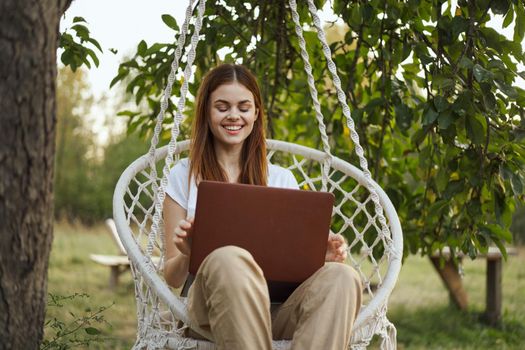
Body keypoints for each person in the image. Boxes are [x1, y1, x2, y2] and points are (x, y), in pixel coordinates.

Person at [163, 63, 362, 350]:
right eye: (222, 107)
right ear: (207, 112)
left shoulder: (282, 179)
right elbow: (172, 276)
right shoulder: (183, 175)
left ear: (256, 113)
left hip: (278, 311)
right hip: (212, 313)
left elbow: (297, 265)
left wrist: (323, 257)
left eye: (244, 107)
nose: (234, 115)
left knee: (343, 277)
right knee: (228, 258)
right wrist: (190, 253)